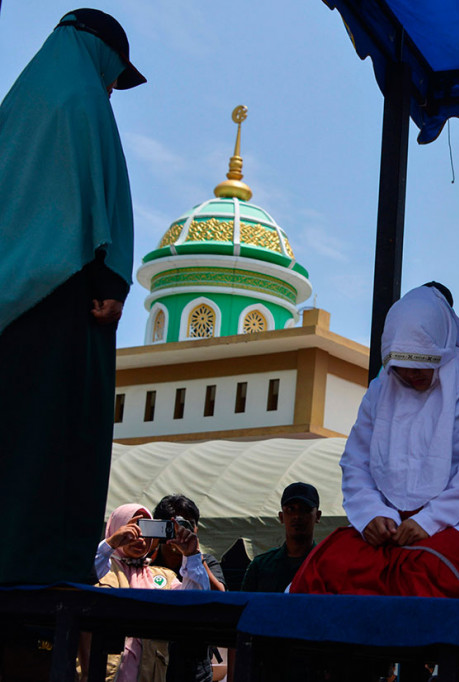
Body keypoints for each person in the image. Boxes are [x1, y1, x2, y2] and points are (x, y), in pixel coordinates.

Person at [0, 8, 145, 586]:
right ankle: (39, 578)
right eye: (115, 72)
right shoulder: (84, 106)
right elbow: (100, 209)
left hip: (11, 315)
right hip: (66, 308)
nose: (113, 86)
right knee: (55, 453)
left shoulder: (17, 108)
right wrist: (111, 285)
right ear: (99, 55)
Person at [290, 285, 459, 601]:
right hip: (390, 528)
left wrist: (430, 519)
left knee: (430, 569)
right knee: (330, 563)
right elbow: (356, 463)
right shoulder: (381, 390)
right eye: (401, 365)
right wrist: (372, 516)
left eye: (422, 363)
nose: (410, 374)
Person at [89, 504, 209, 682]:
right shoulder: (104, 567)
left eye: (146, 530)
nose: (140, 538)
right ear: (116, 528)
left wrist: (191, 556)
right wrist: (111, 544)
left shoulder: (163, 577)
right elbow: (81, 578)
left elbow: (196, 604)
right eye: (133, 529)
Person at [151, 494, 225, 682]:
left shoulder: (206, 562)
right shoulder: (147, 563)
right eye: (173, 525)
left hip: (194, 665)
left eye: (187, 524)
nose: (180, 530)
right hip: (152, 663)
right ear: (161, 528)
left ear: (196, 528)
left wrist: (194, 556)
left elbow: (220, 598)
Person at [241, 482, 322, 593]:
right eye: (290, 509)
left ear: (317, 516)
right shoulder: (261, 566)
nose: (297, 516)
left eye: (304, 509)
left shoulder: (326, 565)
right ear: (281, 517)